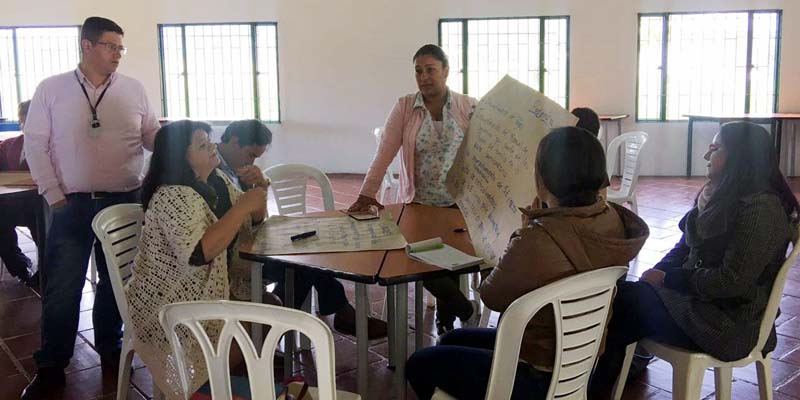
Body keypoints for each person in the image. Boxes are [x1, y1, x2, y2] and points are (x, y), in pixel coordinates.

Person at [406, 127, 649, 399]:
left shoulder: (538, 238)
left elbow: (491, 296)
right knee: (452, 340)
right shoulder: (611, 219)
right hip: (584, 361)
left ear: (543, 181)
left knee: (419, 364)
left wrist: (521, 234)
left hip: (536, 375)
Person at [591, 121, 799, 396]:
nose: (706, 156)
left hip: (729, 325)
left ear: (740, 155)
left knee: (624, 301)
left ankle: (595, 385)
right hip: (703, 305)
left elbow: (731, 282)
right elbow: (684, 247)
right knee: (625, 297)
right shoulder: (719, 194)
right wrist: (658, 270)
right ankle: (610, 376)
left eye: (714, 149)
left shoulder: (761, 210)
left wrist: (669, 278)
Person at [21, 16, 161, 399]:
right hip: (71, 204)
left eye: (121, 48)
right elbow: (35, 143)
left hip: (124, 200)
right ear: (87, 46)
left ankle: (111, 346)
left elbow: (151, 136)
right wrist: (54, 194)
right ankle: (52, 364)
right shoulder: (52, 89)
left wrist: (178, 141)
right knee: (64, 286)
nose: (118, 54)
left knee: (118, 284)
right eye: (111, 46)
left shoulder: (133, 89)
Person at [127, 120, 267, 398]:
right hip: (170, 303)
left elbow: (255, 217)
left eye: (209, 141)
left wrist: (259, 187)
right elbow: (198, 253)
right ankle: (201, 387)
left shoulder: (215, 181)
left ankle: (219, 382)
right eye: (202, 145)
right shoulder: (173, 194)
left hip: (206, 290)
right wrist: (241, 208)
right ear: (181, 158)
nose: (212, 146)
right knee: (260, 320)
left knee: (267, 306)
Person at [348, 44, 480, 334]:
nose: (423, 76)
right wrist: (367, 193)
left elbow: (484, 152)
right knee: (419, 260)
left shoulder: (467, 106)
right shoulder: (405, 106)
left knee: (454, 263)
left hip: (458, 203)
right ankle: (465, 310)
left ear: (445, 70)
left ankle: (447, 323)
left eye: (430, 69)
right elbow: (384, 153)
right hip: (418, 202)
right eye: (418, 71)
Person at [218, 119, 388, 338]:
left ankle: (277, 329)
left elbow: (257, 219)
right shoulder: (214, 171)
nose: (252, 162)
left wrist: (260, 186)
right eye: (251, 154)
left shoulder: (238, 169)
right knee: (304, 265)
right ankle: (323, 317)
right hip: (232, 256)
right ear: (233, 141)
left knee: (307, 255)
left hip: (251, 243)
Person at [0, 100, 38, 286]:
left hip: (41, 204)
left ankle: (46, 270)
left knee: (42, 225)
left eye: (30, 120)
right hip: (10, 205)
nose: (25, 125)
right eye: (22, 121)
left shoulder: (54, 146)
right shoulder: (10, 145)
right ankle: (20, 266)